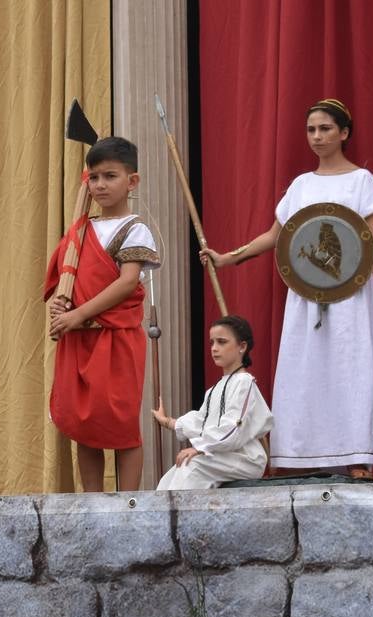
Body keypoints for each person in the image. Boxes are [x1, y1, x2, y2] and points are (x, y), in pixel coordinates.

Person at [202, 99, 373, 478]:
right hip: (306, 293)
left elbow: (368, 238)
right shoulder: (302, 185)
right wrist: (228, 258)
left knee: (351, 367)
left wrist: (336, 267)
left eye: (325, 129)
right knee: (304, 370)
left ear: (344, 133)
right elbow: (277, 235)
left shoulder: (361, 181)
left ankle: (357, 458)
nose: (317, 137)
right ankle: (301, 458)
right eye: (311, 130)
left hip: (348, 294)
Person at [44, 137, 160, 491]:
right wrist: (60, 305)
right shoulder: (81, 230)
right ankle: (91, 503)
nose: (100, 185)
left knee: (122, 424)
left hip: (116, 339)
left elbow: (126, 283)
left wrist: (79, 314)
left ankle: (129, 504)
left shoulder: (134, 229)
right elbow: (66, 279)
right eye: (93, 177)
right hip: (78, 338)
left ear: (132, 181)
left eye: (110, 176)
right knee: (85, 425)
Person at [152, 315, 273, 490]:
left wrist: (201, 448)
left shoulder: (244, 383)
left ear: (242, 346)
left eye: (222, 342)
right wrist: (168, 421)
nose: (214, 348)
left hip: (245, 458)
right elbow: (201, 422)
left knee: (190, 467)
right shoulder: (214, 389)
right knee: (169, 478)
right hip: (223, 455)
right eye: (212, 343)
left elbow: (233, 427)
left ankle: (179, 509)